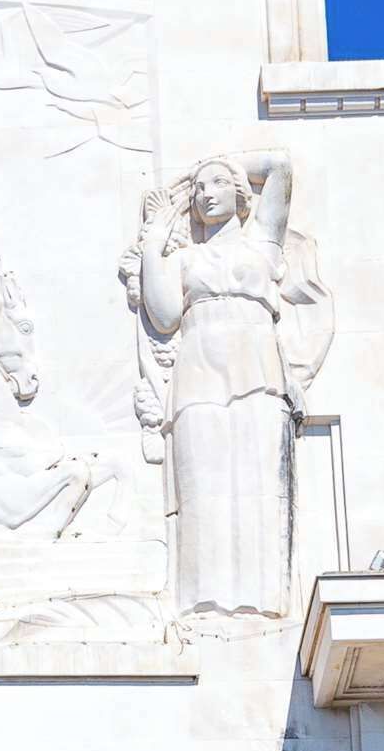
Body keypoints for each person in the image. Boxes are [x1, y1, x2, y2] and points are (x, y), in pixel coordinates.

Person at [127, 153, 332, 618]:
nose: (206, 194)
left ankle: (262, 603)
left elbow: (280, 169)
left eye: (218, 184)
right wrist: (154, 244)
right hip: (198, 364)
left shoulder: (262, 243)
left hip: (256, 364)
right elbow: (164, 315)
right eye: (200, 189)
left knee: (259, 480)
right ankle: (204, 603)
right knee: (202, 482)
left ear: (240, 193)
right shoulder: (184, 259)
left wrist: (200, 169)